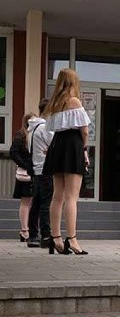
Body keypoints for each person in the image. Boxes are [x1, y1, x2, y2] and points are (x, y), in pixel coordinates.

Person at [43, 67, 91, 255]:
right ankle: (72, 239)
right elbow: (84, 130)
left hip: (58, 145)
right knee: (72, 197)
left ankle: (55, 238)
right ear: (73, 82)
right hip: (72, 146)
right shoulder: (74, 101)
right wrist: (84, 148)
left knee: (57, 196)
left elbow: (50, 130)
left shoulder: (54, 103)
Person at [26, 99, 53, 248]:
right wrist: (52, 150)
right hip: (45, 169)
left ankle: (33, 235)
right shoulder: (44, 127)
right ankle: (46, 235)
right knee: (45, 203)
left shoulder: (32, 128)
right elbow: (54, 145)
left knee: (36, 203)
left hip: (36, 169)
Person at [10, 113, 35, 243]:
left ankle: (27, 230)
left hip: (33, 172)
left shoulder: (33, 135)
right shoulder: (21, 136)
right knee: (26, 201)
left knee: (30, 202)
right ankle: (25, 230)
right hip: (26, 173)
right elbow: (13, 152)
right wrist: (26, 165)